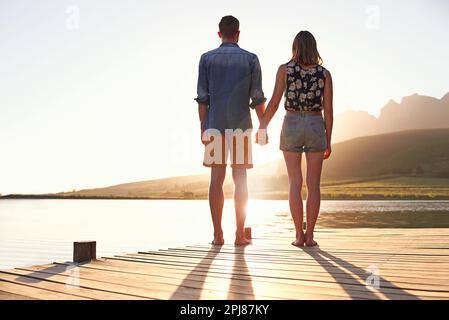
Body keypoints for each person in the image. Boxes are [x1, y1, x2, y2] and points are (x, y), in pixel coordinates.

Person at [195, 15, 267, 246]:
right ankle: (239, 235)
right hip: (241, 126)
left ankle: (217, 235)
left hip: (215, 125)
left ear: (219, 34)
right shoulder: (251, 59)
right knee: (241, 179)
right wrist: (263, 126)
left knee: (216, 179)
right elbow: (257, 98)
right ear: (238, 33)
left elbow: (203, 99)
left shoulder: (206, 59)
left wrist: (203, 127)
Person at [258, 30, 333, 247]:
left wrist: (262, 127)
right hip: (315, 123)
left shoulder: (285, 70)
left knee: (294, 182)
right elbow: (328, 110)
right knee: (314, 184)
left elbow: (273, 103)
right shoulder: (324, 74)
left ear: (295, 47)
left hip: (291, 122)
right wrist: (328, 140)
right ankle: (310, 236)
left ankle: (298, 237)